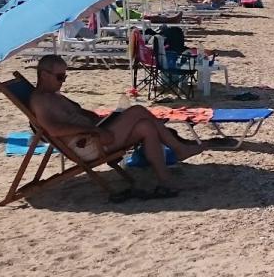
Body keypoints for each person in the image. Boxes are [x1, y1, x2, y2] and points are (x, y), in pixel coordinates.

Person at [28, 55, 201, 201]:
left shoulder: (53, 96)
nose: (62, 81)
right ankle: (179, 148)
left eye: (64, 77)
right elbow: (53, 130)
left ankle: (166, 182)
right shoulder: (41, 100)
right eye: (59, 77)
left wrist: (104, 119)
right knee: (138, 110)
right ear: (44, 75)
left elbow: (78, 113)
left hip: (95, 134)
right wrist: (93, 129)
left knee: (146, 127)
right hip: (89, 143)